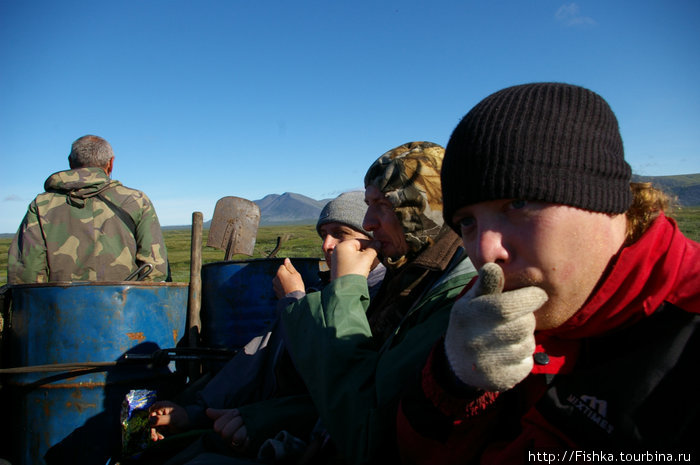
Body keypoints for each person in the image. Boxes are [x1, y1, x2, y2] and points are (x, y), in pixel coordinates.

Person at [396, 82, 700, 464]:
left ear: (605, 202)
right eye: (467, 221)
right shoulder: (483, 303)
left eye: (518, 202)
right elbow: (415, 452)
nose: (487, 253)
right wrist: (453, 380)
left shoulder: (688, 321)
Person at [146, 191, 386, 464]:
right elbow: (259, 356)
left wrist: (293, 302)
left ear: (372, 239)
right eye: (322, 235)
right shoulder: (324, 290)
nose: (327, 245)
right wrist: (196, 411)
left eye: (340, 234)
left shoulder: (383, 297)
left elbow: (330, 379)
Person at [276, 142, 477, 464]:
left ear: (422, 209)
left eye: (382, 205)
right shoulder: (412, 272)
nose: (368, 222)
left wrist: (344, 287)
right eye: (368, 204)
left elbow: (367, 430)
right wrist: (261, 417)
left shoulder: (457, 295)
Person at [7, 134, 169, 283]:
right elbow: (155, 269)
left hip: (60, 310)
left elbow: (26, 272)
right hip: (124, 310)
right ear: (111, 163)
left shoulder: (42, 204)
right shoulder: (136, 201)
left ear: (70, 162)